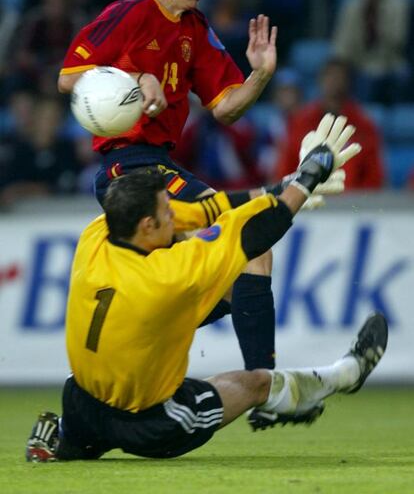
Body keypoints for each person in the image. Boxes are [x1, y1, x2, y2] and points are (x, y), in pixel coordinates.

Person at [25, 115, 387, 462]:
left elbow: (201, 209)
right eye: (168, 214)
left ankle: (62, 438)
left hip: (81, 403)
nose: (175, 217)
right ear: (148, 225)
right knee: (253, 383)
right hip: (154, 422)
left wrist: (278, 187)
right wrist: (307, 178)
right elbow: (253, 233)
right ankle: (346, 374)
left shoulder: (97, 234)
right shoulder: (172, 274)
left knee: (152, 337)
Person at [57, 0, 280, 427]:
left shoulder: (195, 30)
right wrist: (134, 79)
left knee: (236, 269)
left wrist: (261, 74)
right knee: (250, 233)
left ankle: (247, 378)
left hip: (158, 165)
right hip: (128, 167)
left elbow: (227, 109)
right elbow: (68, 78)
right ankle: (263, 383)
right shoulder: (131, 13)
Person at [274, 58, 385, 190]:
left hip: (353, 202)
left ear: (349, 83)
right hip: (307, 200)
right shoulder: (300, 122)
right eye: (330, 77)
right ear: (320, 81)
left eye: (339, 77)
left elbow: (374, 178)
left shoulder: (364, 126)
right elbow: (285, 170)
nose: (334, 83)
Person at [332, 0, 411, 105]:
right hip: (360, 66)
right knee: (359, 81)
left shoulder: (398, 5)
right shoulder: (351, 7)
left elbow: (398, 41)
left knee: (402, 77)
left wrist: (375, 18)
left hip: (392, 65)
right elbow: (341, 46)